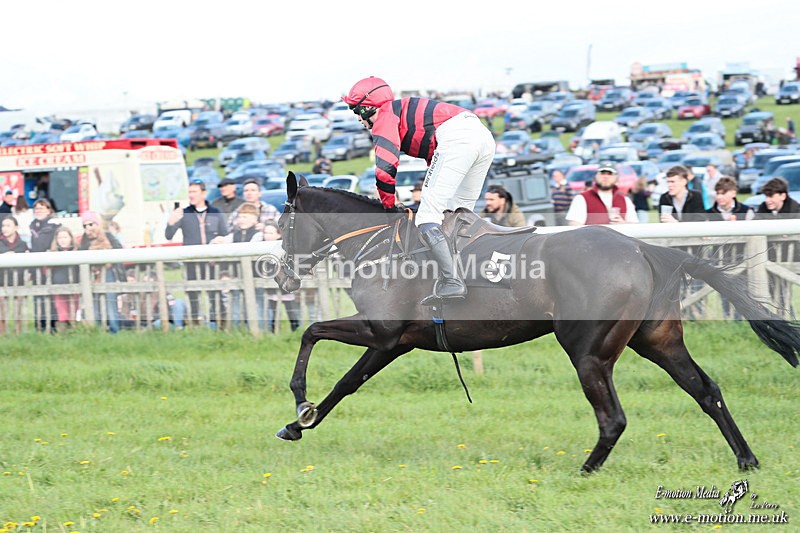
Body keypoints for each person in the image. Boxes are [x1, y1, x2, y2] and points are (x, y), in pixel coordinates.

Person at [342, 76, 495, 304]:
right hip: (482, 136)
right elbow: (433, 156)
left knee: (426, 218)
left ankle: (453, 282)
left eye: (356, 111)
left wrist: (389, 207)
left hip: (458, 139)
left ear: (366, 108)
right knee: (457, 215)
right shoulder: (399, 111)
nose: (357, 118)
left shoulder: (385, 115)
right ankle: (473, 274)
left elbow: (384, 170)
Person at [165, 179, 229, 326]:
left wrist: (220, 242)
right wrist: (170, 222)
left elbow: (225, 234)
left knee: (215, 295)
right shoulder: (184, 213)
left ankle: (218, 324)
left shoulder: (215, 212)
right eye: (189, 192)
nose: (191, 195)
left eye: (194, 192)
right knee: (193, 294)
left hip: (212, 262)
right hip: (192, 262)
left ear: (203, 193)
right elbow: (168, 235)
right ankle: (195, 324)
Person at [79, 211, 124, 333]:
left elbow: (119, 250)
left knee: (110, 303)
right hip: (92, 275)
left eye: (91, 224)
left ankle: (115, 330)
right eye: (85, 225)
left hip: (109, 272)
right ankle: (97, 330)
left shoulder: (108, 236)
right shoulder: (84, 241)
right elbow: (81, 255)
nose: (88, 228)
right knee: (94, 304)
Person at [565, 163, 638, 226]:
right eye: (602, 173)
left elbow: (634, 225)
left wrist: (623, 224)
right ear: (595, 176)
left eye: (610, 174)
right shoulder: (581, 198)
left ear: (616, 178)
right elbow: (574, 225)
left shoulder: (625, 199)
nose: (605, 177)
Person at [261, 221, 300, 333]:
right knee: (272, 311)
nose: (267, 235)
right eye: (265, 232)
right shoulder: (261, 246)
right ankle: (272, 331)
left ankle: (296, 331)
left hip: (286, 284)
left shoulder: (285, 246)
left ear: (278, 234)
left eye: (270, 233)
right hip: (271, 285)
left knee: (291, 311)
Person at [29, 198, 61, 331]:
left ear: (49, 210)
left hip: (51, 267)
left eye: (42, 208)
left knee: (52, 298)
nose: (38, 211)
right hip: (37, 267)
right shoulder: (33, 226)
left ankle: (52, 326)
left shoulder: (53, 225)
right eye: (36, 209)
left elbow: (40, 244)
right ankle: (39, 326)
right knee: (38, 298)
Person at [0, 216, 29, 334]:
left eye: (8, 226)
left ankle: (18, 332)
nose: (4, 229)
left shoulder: (23, 244)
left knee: (18, 309)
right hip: (1, 279)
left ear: (16, 227)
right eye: (3, 226)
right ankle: (2, 333)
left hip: (19, 279)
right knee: (2, 310)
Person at [49, 226, 80, 331]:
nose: (62, 240)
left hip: (74, 285)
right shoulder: (52, 254)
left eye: (65, 237)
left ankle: (74, 331)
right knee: (62, 312)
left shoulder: (78, 252)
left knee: (73, 310)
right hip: (58, 285)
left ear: (71, 238)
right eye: (60, 238)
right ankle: (63, 332)